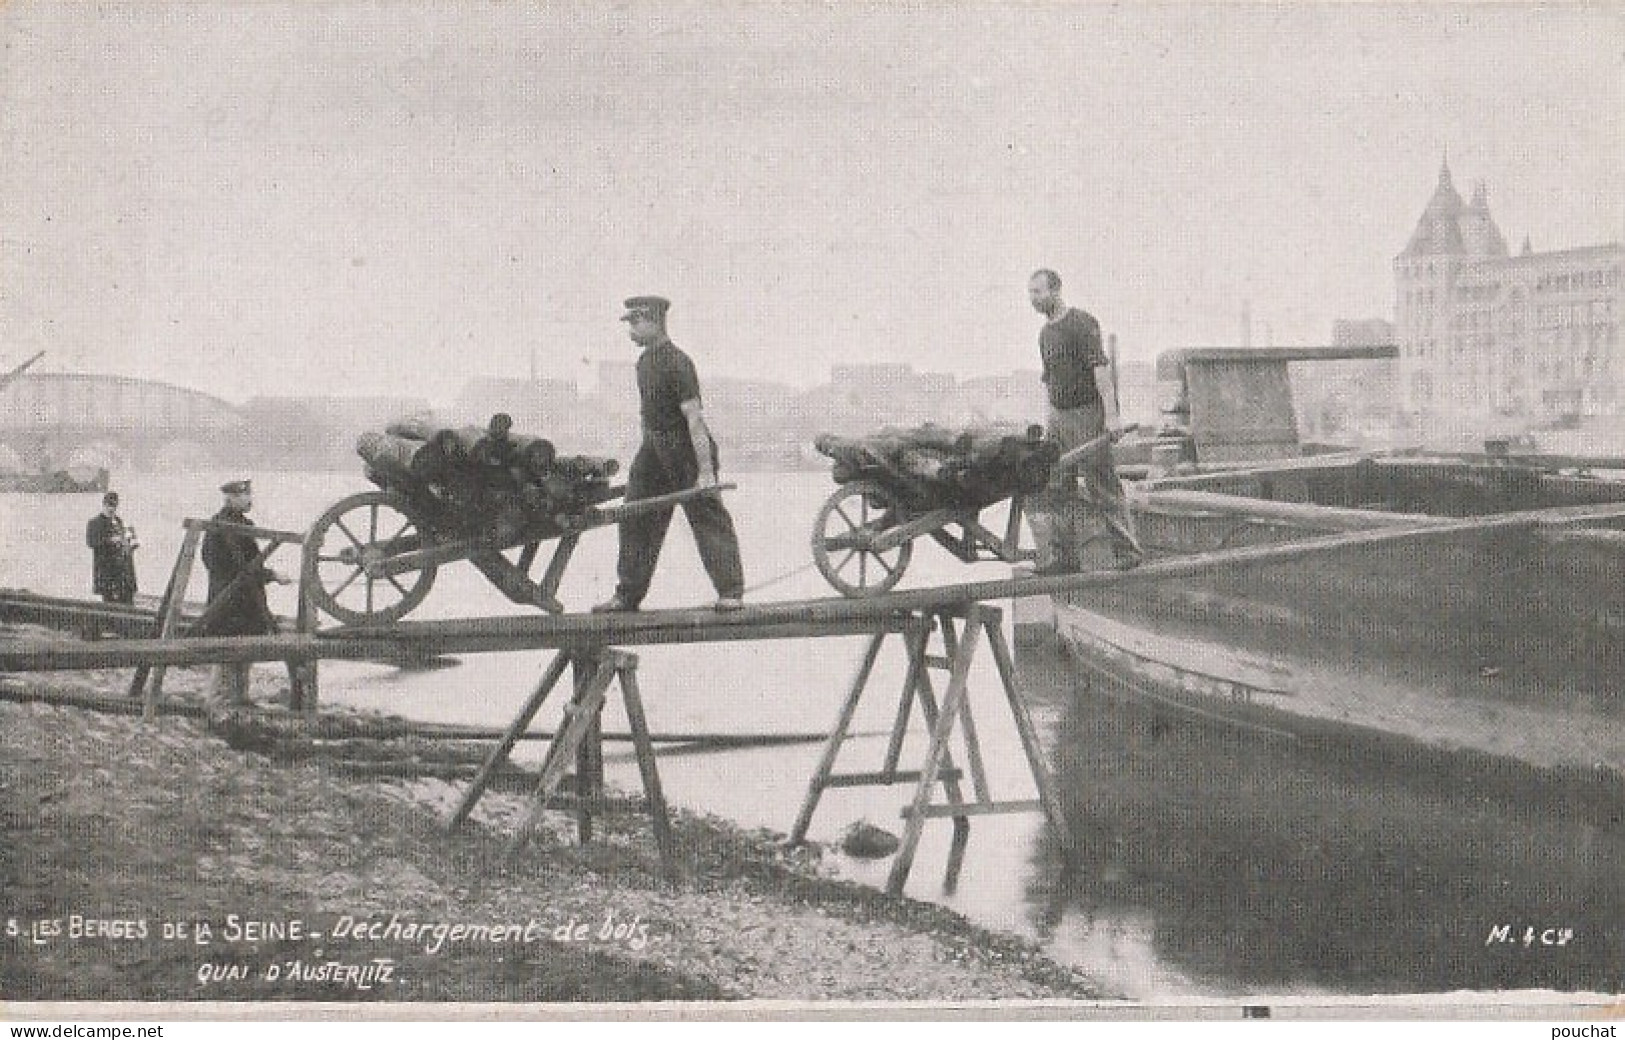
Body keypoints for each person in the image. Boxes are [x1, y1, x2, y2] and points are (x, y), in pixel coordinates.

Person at [593, 296, 746, 613]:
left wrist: (705, 471)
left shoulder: (678, 362)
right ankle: (628, 595)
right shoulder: (644, 362)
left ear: (654, 320)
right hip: (653, 448)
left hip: (686, 449)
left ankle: (730, 591)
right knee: (634, 514)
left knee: (706, 518)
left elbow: (694, 418)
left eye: (635, 323)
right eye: (629, 324)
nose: (631, 331)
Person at [1027, 268, 1142, 573]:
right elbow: (1049, 380)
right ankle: (1065, 557)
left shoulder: (1082, 323)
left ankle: (1127, 551)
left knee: (1101, 482)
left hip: (1088, 413)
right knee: (1057, 484)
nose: (1033, 299)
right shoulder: (1044, 334)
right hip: (1059, 417)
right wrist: (1049, 420)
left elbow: (1100, 372)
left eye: (1038, 292)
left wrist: (1112, 415)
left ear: (1056, 290)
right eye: (1031, 293)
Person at [200, 479, 292, 705]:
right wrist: (272, 576)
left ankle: (240, 698)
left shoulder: (243, 524)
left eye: (249, 495)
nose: (249, 499)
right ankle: (218, 701)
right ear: (230, 498)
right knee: (226, 654)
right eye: (244, 496)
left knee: (244, 652)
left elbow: (251, 564)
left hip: (244, 601)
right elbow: (220, 563)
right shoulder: (219, 526)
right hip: (229, 601)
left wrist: (262, 575)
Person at [85, 491, 138, 604]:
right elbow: (91, 542)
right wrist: (110, 540)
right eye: (109, 505)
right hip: (106, 571)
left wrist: (131, 543)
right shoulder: (94, 523)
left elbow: (125, 543)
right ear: (103, 504)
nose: (111, 509)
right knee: (109, 603)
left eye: (114, 506)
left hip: (122, 572)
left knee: (127, 601)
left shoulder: (119, 521)